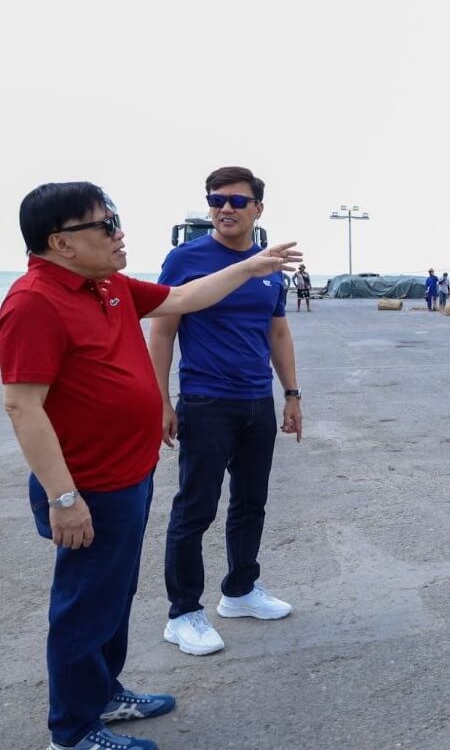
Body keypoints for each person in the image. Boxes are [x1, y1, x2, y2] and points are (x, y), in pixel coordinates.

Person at [0, 181, 300, 750]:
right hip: (86, 486)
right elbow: (21, 404)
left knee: (112, 598)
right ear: (62, 242)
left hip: (127, 476)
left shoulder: (106, 285)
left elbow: (183, 299)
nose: (119, 233)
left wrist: (252, 265)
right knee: (83, 607)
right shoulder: (34, 301)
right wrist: (63, 497)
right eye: (105, 225)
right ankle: (73, 731)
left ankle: (104, 694)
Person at [148, 166, 304, 658]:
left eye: (238, 201)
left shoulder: (269, 266)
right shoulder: (185, 259)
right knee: (195, 508)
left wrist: (292, 394)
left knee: (251, 502)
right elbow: (163, 331)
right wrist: (162, 401)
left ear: (258, 208)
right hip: (206, 401)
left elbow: (277, 332)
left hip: (257, 401)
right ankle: (184, 613)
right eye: (217, 200)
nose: (225, 209)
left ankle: (239, 591)